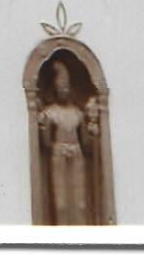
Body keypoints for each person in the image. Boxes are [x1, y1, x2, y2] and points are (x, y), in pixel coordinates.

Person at [38, 61, 96, 224]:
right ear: (55, 90)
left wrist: (93, 134)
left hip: (76, 154)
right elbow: (46, 141)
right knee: (61, 203)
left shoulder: (77, 113)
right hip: (58, 155)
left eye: (66, 86)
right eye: (60, 87)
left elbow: (85, 141)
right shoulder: (50, 113)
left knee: (80, 202)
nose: (63, 90)